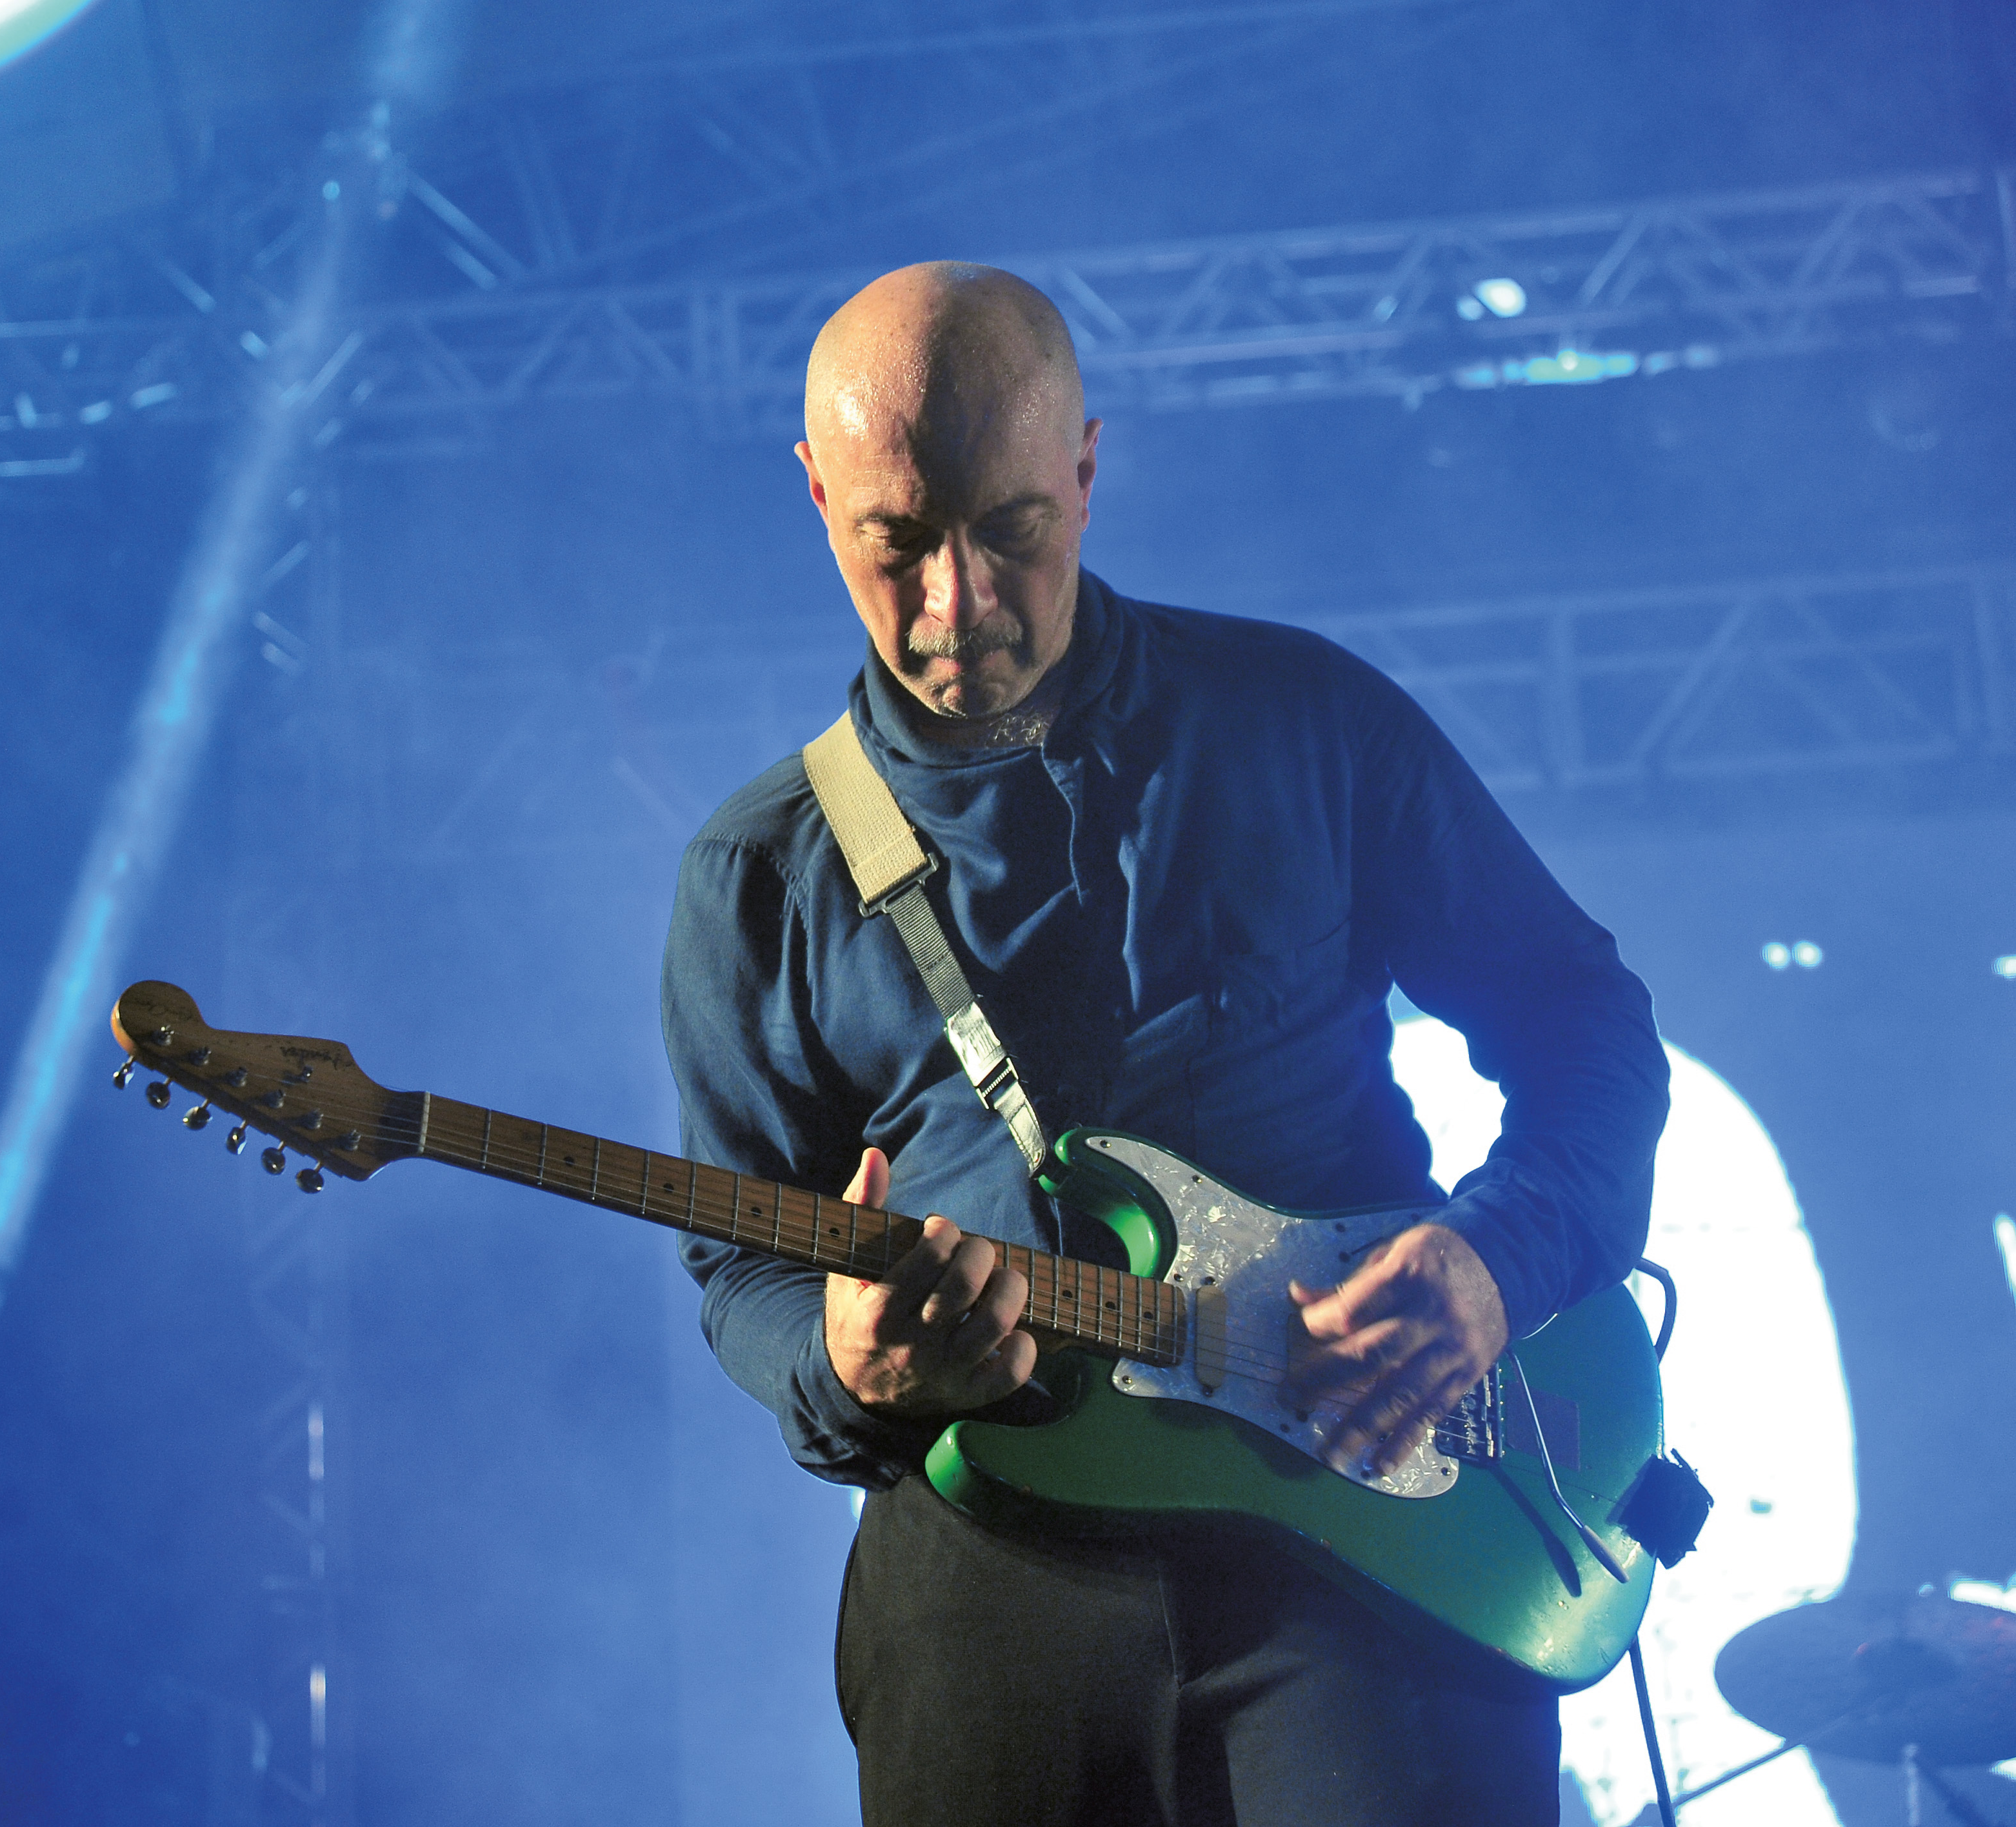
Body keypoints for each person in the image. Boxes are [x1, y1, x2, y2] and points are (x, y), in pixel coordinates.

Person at [659, 263, 1671, 1826]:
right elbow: (742, 1270)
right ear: (814, 495)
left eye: (1011, 530)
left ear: (1084, 465)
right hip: (990, 1577)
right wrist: (844, 1362)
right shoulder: (760, 875)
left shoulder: (1305, 719)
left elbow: (1581, 1016)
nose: (959, 606)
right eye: (895, 544)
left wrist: (1496, 1263)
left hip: (1369, 1544)